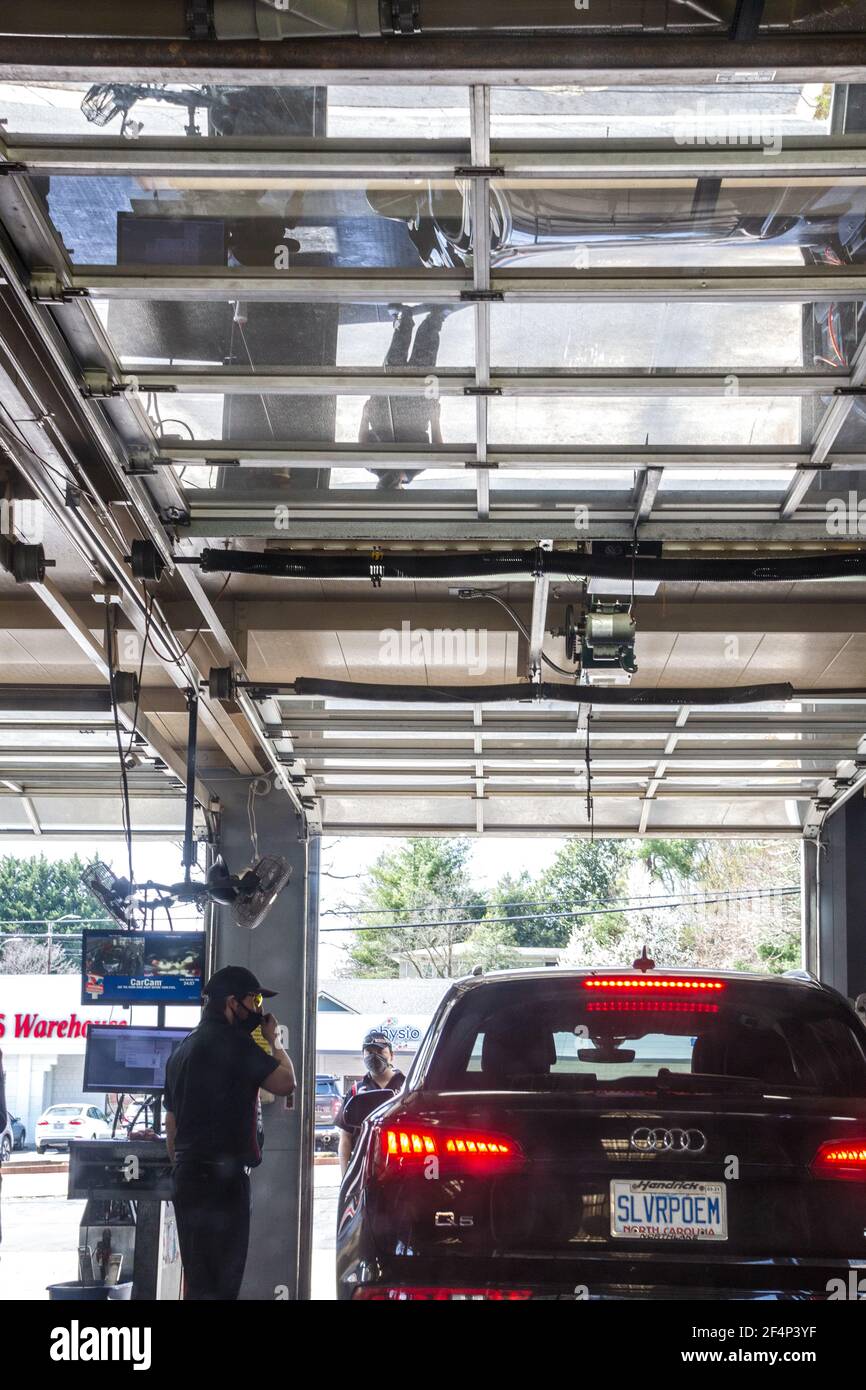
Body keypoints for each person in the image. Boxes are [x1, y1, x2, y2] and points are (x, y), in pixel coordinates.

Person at [163, 965, 296, 1301]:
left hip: (188, 1178)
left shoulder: (184, 1047)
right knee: (222, 1284)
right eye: (255, 1000)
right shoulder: (231, 1043)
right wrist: (274, 1041)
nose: (259, 1010)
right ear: (232, 1003)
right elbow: (285, 1082)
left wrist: (183, 1168)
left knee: (199, 1281)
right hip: (222, 1183)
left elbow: (171, 1125)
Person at [337, 1031, 406, 1176]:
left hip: (402, 1166)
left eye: (381, 1051)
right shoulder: (356, 1092)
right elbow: (345, 1138)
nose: (374, 1056)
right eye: (369, 1052)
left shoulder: (407, 1088)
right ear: (363, 1056)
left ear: (392, 1055)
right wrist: (345, 1177)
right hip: (365, 1170)